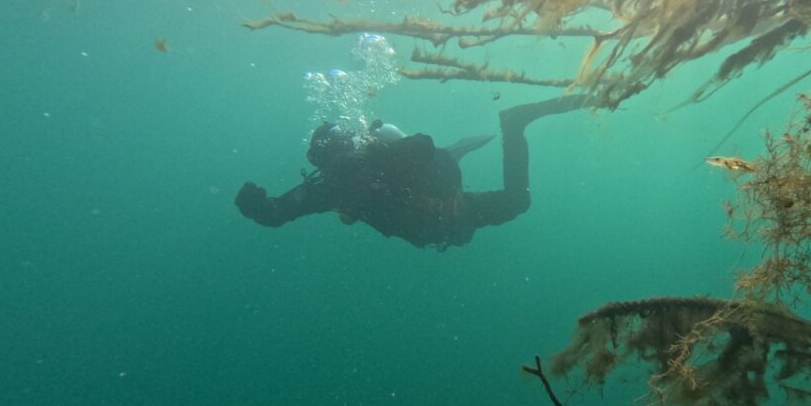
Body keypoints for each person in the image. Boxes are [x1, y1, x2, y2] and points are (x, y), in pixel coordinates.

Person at [235, 95, 588, 250]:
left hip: (449, 210)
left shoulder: (331, 187)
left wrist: (256, 207)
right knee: (510, 198)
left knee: (515, 201)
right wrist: (255, 207)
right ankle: (512, 125)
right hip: (449, 205)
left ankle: (512, 125)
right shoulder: (331, 187)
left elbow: (277, 214)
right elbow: (276, 214)